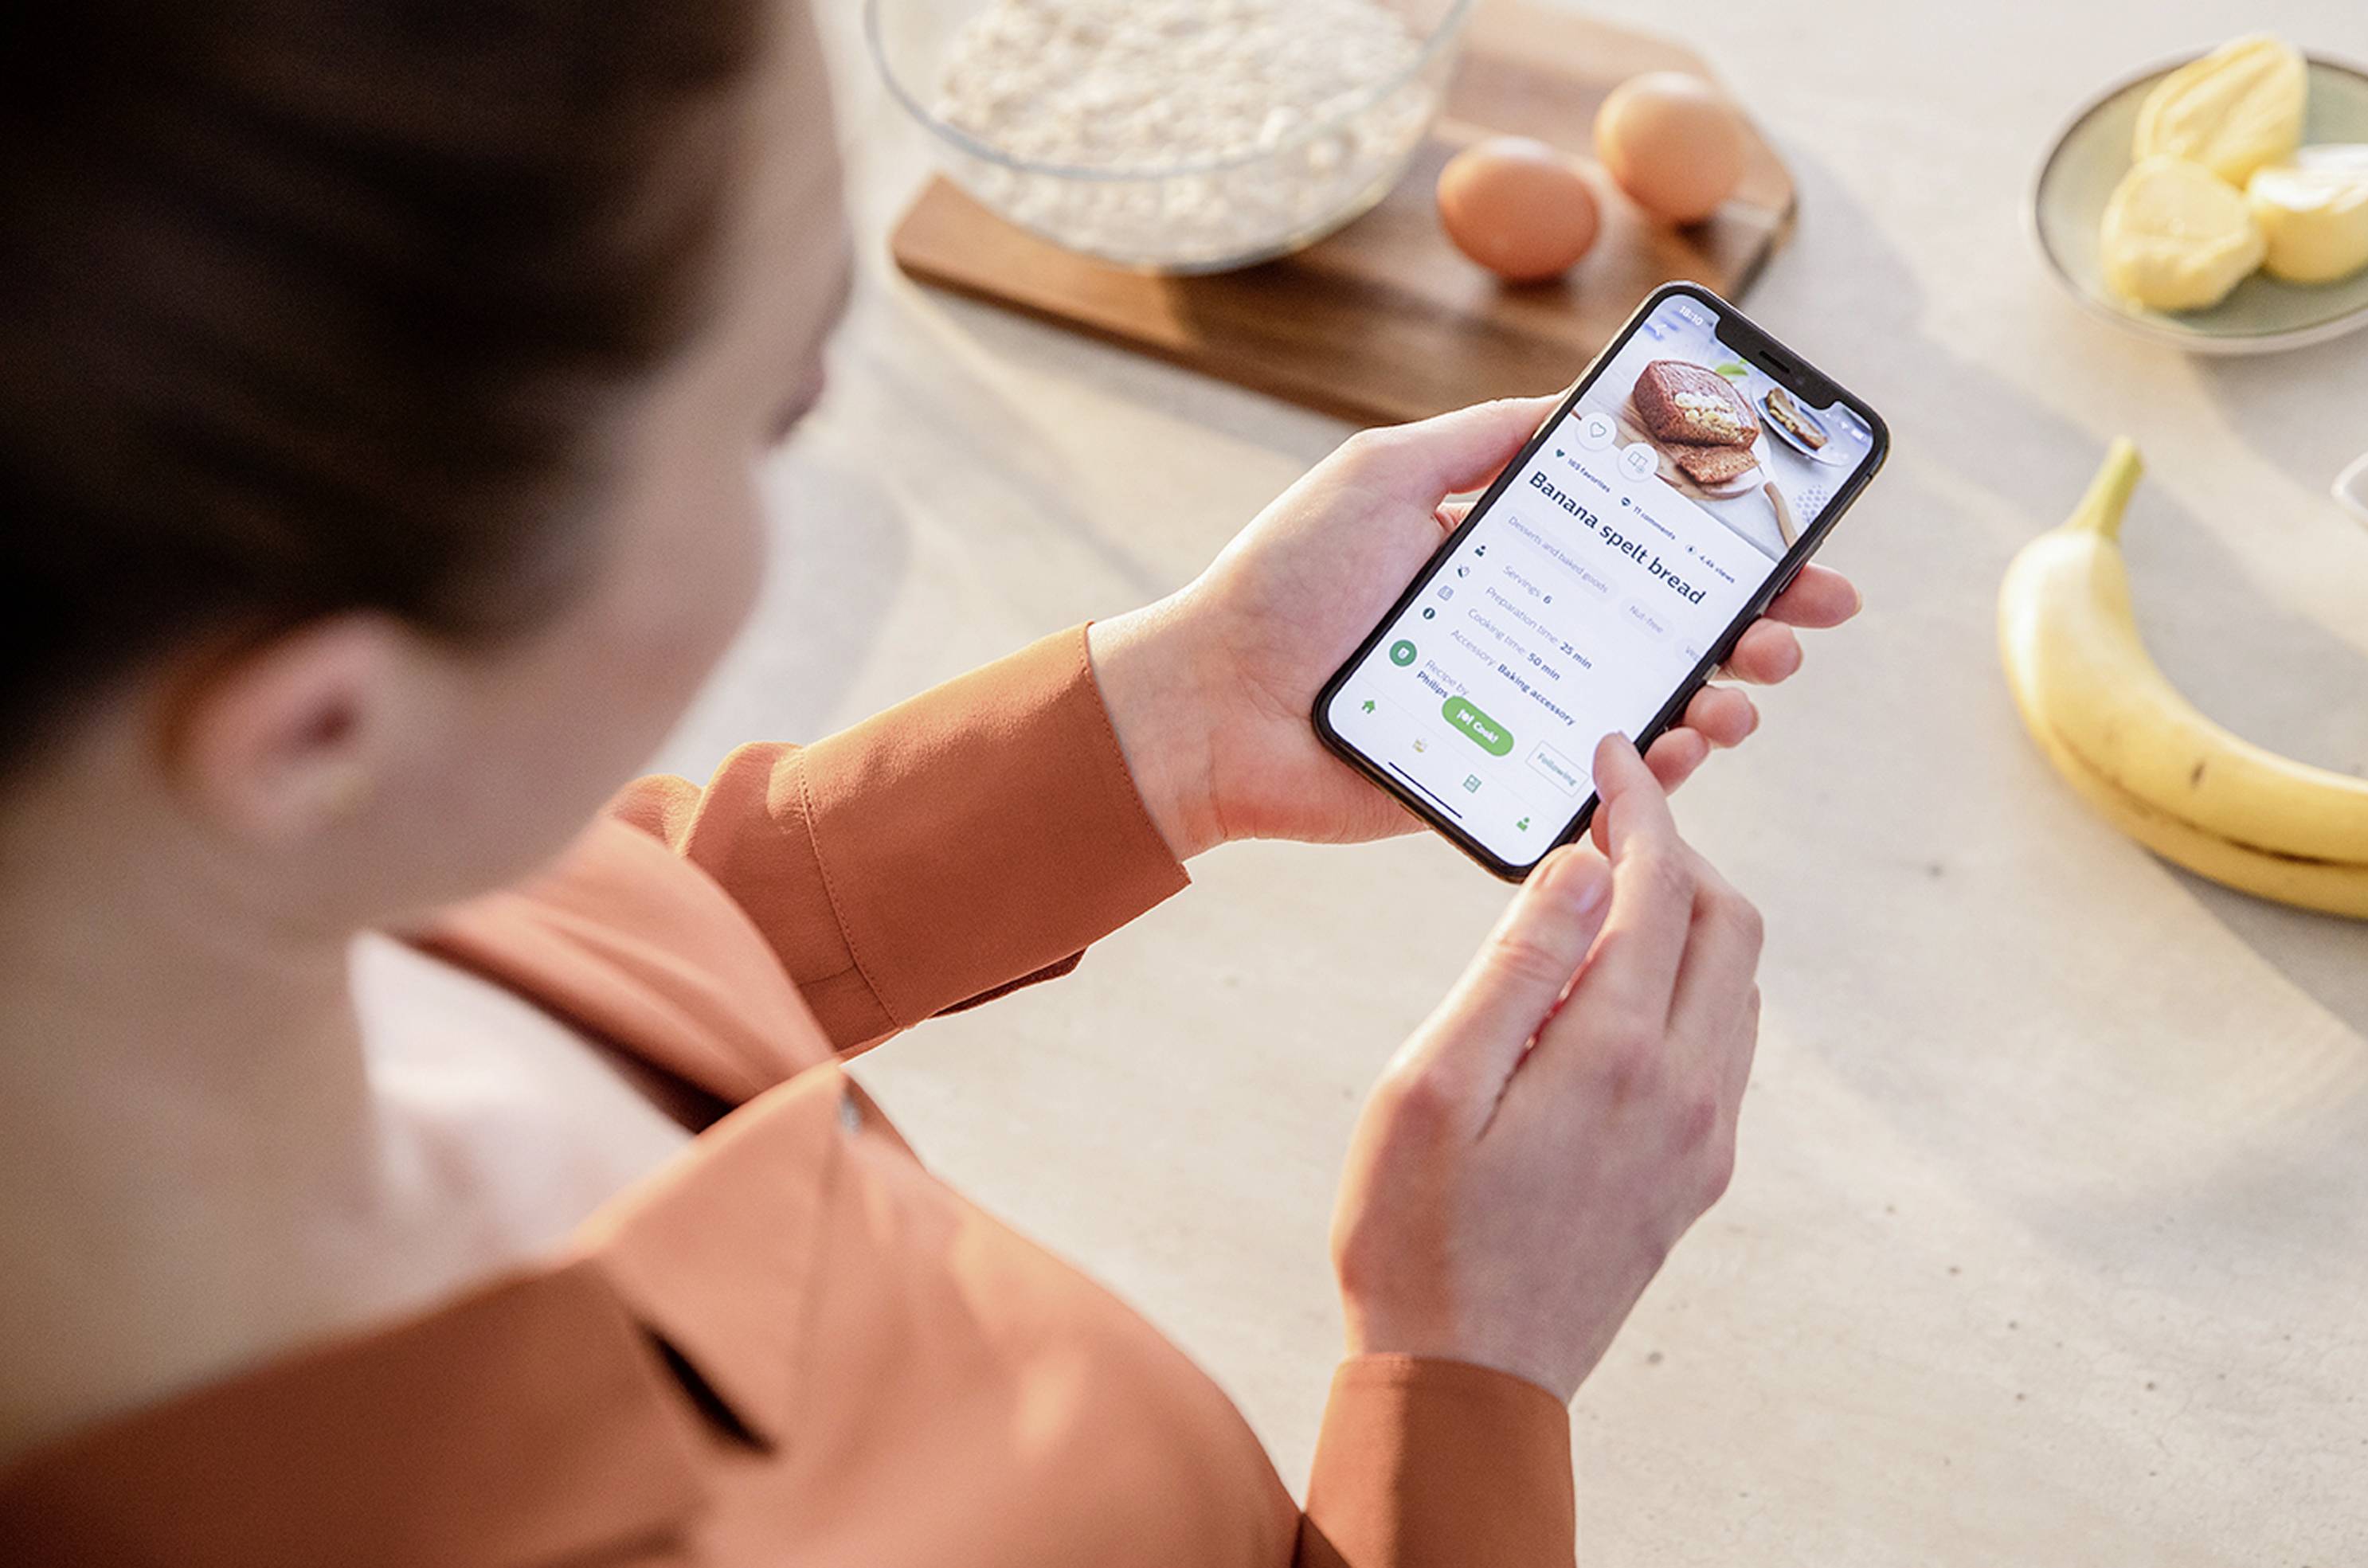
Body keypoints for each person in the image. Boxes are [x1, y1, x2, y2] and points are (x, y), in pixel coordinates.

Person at [0, 0, 1861, 1562]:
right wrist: (1470, 1378)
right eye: (774, 419)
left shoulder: (211, 890)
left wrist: (1162, 721)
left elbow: (617, 927)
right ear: (318, 733)